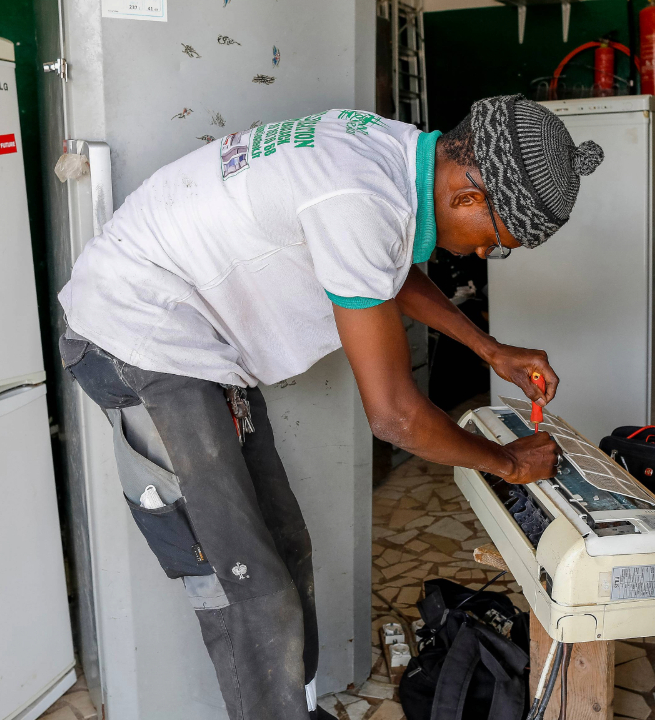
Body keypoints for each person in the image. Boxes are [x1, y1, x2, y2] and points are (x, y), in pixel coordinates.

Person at [57, 94, 604, 719]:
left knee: (288, 547)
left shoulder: (396, 154)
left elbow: (384, 269)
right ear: (468, 196)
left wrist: (489, 349)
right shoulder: (361, 199)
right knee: (246, 582)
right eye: (495, 242)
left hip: (196, 342)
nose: (483, 254)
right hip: (138, 335)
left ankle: (298, 708)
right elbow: (395, 417)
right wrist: (506, 463)